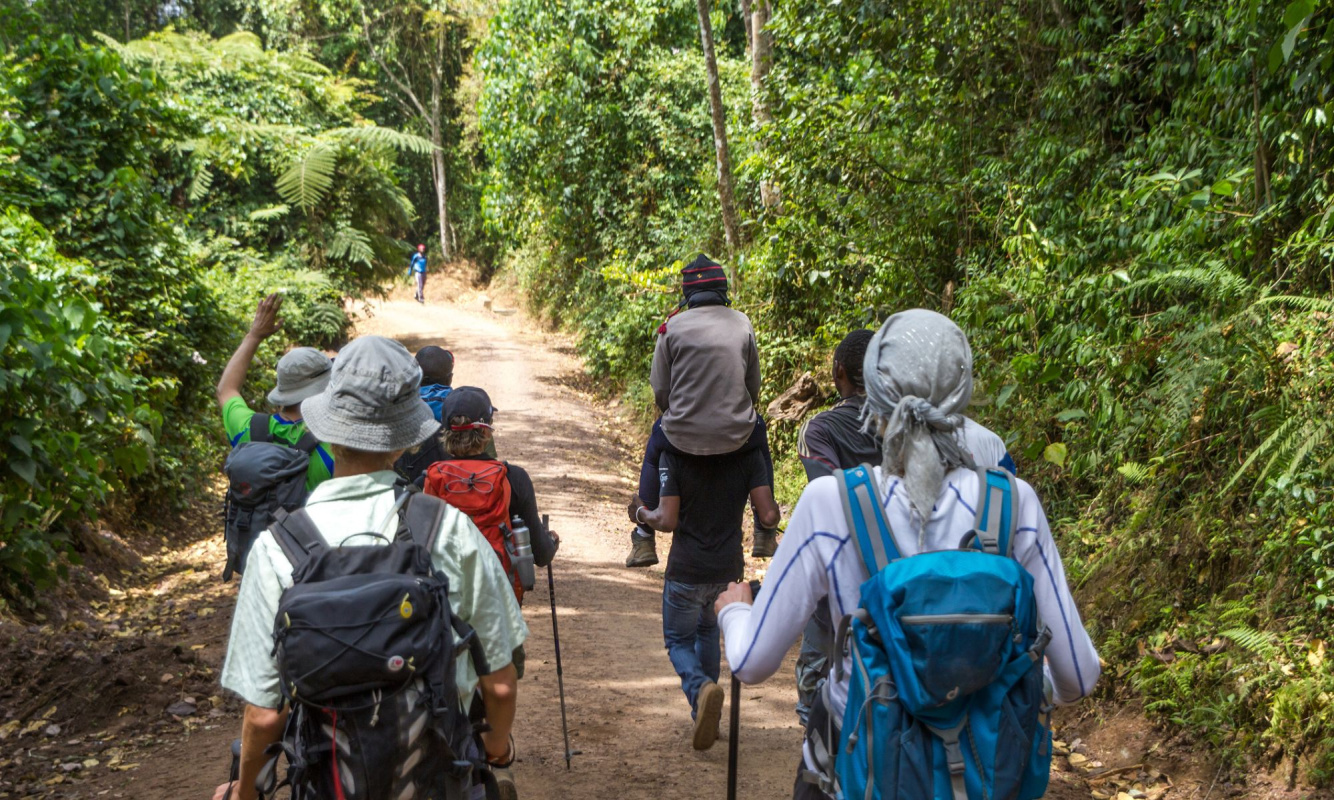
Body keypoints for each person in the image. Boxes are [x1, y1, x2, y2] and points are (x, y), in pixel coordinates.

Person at [713, 310, 1099, 799]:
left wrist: (736, 611)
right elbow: (1079, 676)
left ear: (868, 394)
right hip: (980, 777)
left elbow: (751, 662)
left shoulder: (832, 503)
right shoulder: (1012, 504)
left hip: (855, 775)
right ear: (962, 394)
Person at [213, 336, 528, 800]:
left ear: (327, 431)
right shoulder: (447, 529)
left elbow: (264, 715)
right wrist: (495, 749)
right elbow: (500, 685)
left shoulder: (277, 547)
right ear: (403, 444)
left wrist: (242, 794)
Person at [791, 328, 1019, 724]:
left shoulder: (828, 436)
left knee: (828, 677)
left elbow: (752, 659)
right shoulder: (982, 445)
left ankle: (829, 751)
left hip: (848, 576)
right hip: (944, 590)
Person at [626, 254, 776, 568]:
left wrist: (673, 415)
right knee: (759, 440)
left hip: (681, 432)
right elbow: (753, 387)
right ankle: (764, 531)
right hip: (737, 432)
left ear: (688, 296)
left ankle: (643, 537)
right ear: (722, 291)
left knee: (655, 446)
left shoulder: (671, 327)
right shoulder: (741, 321)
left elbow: (660, 390)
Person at [631, 444, 781, 752]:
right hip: (726, 570)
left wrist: (640, 512)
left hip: (686, 571)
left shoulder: (674, 453)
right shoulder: (748, 453)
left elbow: (667, 520)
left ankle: (701, 690)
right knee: (708, 631)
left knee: (678, 641)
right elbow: (768, 515)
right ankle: (703, 712)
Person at [426, 386, 559, 612]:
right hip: (499, 601)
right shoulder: (513, 478)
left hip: (447, 600)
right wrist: (551, 542)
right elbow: (541, 554)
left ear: (446, 432)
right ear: (486, 432)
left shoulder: (432, 478)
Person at [216, 293, 334, 490]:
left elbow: (225, 390)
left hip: (252, 522)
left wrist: (254, 335)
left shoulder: (249, 430)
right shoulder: (334, 451)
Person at [393, 345, 455, 483]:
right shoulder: (456, 403)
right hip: (446, 480)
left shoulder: (399, 401)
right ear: (449, 379)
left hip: (402, 477)